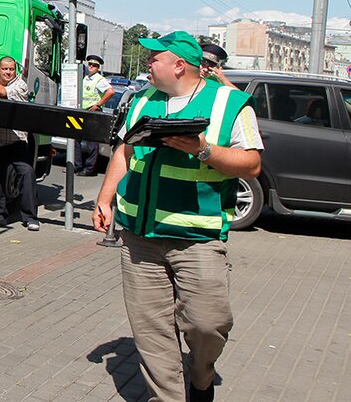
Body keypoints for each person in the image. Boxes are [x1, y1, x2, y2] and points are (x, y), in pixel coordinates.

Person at [93, 31, 263, 402]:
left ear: (179, 65)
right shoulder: (141, 101)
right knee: (152, 332)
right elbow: (124, 152)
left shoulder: (230, 104)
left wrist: (202, 149)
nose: (147, 65)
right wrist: (105, 200)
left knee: (208, 323)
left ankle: (201, 378)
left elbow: (251, 164)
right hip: (139, 238)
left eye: (154, 59)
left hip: (197, 238)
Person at [0, 56, 40, 231]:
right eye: (5, 69)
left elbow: (2, 93)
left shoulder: (20, 86)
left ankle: (30, 218)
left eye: (11, 69)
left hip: (15, 143)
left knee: (26, 174)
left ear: (15, 70)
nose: (8, 72)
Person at [78, 54, 115, 176]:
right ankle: (77, 165)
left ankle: (89, 169)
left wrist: (98, 105)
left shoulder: (99, 79)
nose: (91, 67)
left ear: (98, 68)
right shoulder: (86, 78)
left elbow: (111, 92)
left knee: (91, 143)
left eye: (94, 65)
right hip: (83, 110)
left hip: (93, 112)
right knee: (75, 138)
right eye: (90, 64)